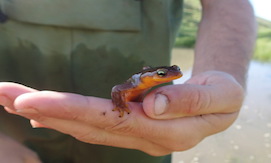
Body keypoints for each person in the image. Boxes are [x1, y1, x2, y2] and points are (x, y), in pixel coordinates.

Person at [0, 0, 256, 163]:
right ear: (148, 76)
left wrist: (223, 77)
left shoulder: (149, 84)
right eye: (161, 75)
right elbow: (117, 90)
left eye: (171, 74)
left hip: (140, 141)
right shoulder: (134, 84)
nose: (168, 77)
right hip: (14, 125)